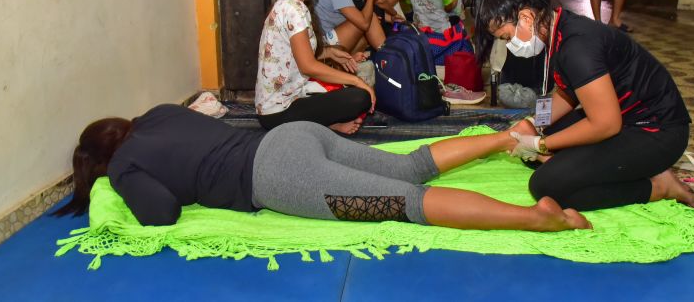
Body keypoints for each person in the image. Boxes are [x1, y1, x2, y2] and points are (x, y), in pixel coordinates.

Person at [54, 104, 591, 232]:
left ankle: (537, 219)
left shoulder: (123, 166)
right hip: (294, 136)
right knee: (406, 169)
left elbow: (162, 215)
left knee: (403, 205)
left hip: (280, 180)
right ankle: (505, 137)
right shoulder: (159, 112)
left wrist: (115, 182)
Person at [472, 0, 694, 212]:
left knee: (547, 186)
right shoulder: (560, 27)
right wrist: (533, 123)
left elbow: (606, 124)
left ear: (526, 18)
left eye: (507, 37)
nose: (509, 45)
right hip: (625, 119)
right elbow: (568, 91)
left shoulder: (577, 47)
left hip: (657, 132)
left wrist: (541, 144)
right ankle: (573, 164)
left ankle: (659, 187)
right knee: (530, 146)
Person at [255, 0, 374, 134]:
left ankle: (324, 124)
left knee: (340, 87)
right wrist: (357, 81)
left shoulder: (288, 4)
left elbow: (296, 52)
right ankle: (320, 125)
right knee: (361, 97)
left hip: (285, 100)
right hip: (279, 111)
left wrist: (330, 52)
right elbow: (308, 66)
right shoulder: (293, 9)